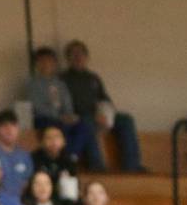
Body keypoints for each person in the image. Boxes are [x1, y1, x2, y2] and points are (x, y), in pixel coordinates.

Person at [60, 39, 144, 174]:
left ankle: (132, 165)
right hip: (80, 117)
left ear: (86, 57)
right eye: (74, 54)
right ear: (68, 58)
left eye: (81, 53)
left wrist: (106, 115)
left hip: (99, 116)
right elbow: (65, 105)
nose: (78, 57)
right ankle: (97, 165)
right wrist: (93, 115)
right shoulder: (62, 79)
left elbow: (105, 100)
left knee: (126, 119)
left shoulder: (93, 78)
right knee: (86, 122)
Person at [26, 47, 104, 172]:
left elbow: (67, 104)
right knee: (60, 128)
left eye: (50, 61)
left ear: (55, 63)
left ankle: (72, 157)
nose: (46, 64)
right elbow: (36, 107)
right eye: (42, 61)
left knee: (84, 125)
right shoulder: (32, 84)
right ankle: (63, 160)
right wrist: (59, 117)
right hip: (44, 119)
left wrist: (70, 116)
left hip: (62, 118)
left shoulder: (60, 84)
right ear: (37, 64)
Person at [0, 109, 34, 199]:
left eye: (13, 125)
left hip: (20, 202)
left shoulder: (24, 155)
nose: (9, 129)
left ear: (18, 128)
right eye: (4, 126)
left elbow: (27, 183)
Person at [30, 127, 80, 205]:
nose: (53, 141)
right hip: (41, 198)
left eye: (57, 137)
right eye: (49, 138)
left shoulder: (69, 160)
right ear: (42, 142)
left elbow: (73, 189)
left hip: (63, 198)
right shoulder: (34, 159)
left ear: (64, 141)